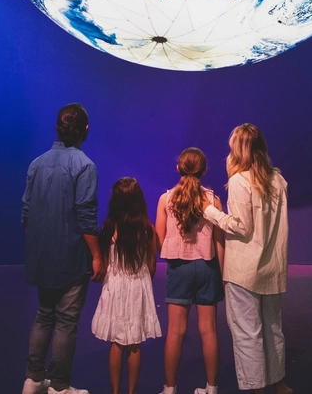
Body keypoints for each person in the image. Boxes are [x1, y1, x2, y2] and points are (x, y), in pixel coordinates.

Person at [202, 124, 292, 394]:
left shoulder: (241, 181)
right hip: (272, 269)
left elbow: (241, 226)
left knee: (247, 334)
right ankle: (280, 385)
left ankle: (255, 389)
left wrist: (210, 212)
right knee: (273, 330)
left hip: (244, 271)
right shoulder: (278, 180)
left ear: (238, 150)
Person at [22, 103, 103, 394]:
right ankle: (59, 387)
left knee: (44, 315)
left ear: (57, 127)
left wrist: (40, 244)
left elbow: (27, 214)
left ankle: (32, 380)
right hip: (71, 257)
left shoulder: (36, 164)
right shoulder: (85, 166)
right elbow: (85, 217)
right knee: (66, 321)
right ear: (85, 130)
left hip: (43, 255)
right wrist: (97, 256)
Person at [154, 148, 225, 394]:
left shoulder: (166, 199)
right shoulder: (213, 200)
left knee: (175, 331)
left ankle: (170, 388)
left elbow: (160, 240)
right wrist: (223, 275)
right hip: (208, 268)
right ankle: (212, 387)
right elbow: (219, 241)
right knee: (209, 330)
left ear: (178, 168)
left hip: (179, 268)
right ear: (204, 170)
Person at [90, 177, 162, 394]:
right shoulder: (147, 228)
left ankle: (115, 392)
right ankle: (131, 392)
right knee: (134, 343)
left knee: (116, 342)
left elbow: (104, 259)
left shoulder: (109, 226)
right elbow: (151, 264)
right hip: (138, 286)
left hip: (116, 286)